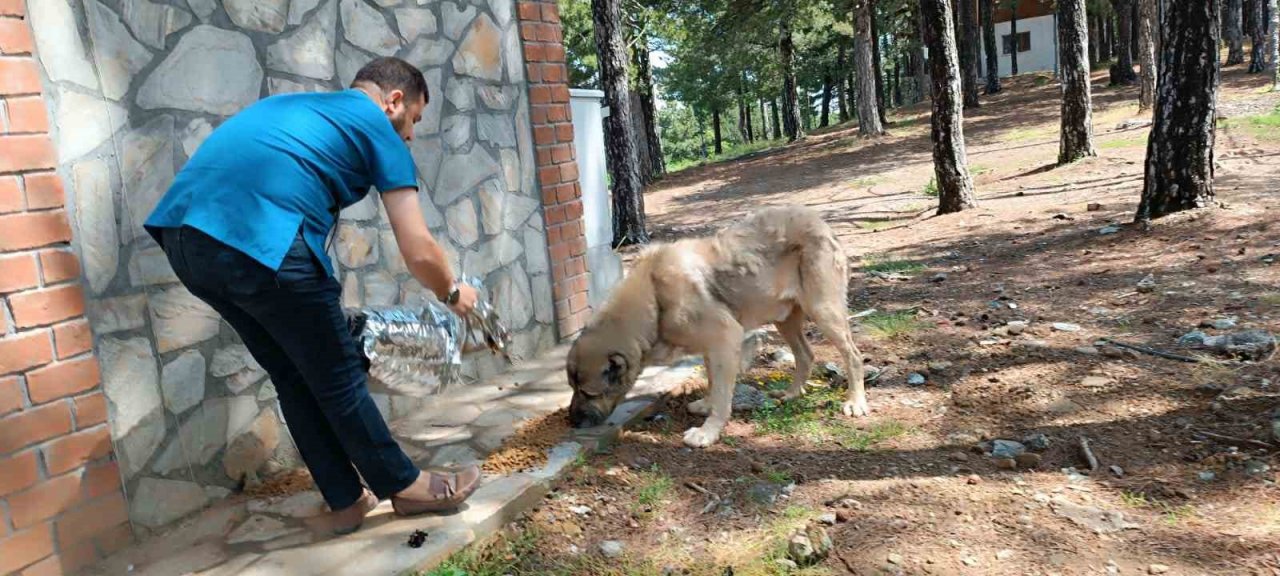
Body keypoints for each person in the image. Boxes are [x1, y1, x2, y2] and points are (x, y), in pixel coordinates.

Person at [144, 57, 483, 535]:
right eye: (415, 119)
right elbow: (418, 247)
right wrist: (452, 292)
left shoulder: (299, 109)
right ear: (394, 102)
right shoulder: (378, 128)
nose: (410, 135)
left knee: (293, 374)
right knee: (338, 374)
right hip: (262, 241)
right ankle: (404, 485)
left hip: (186, 242)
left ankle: (345, 500)